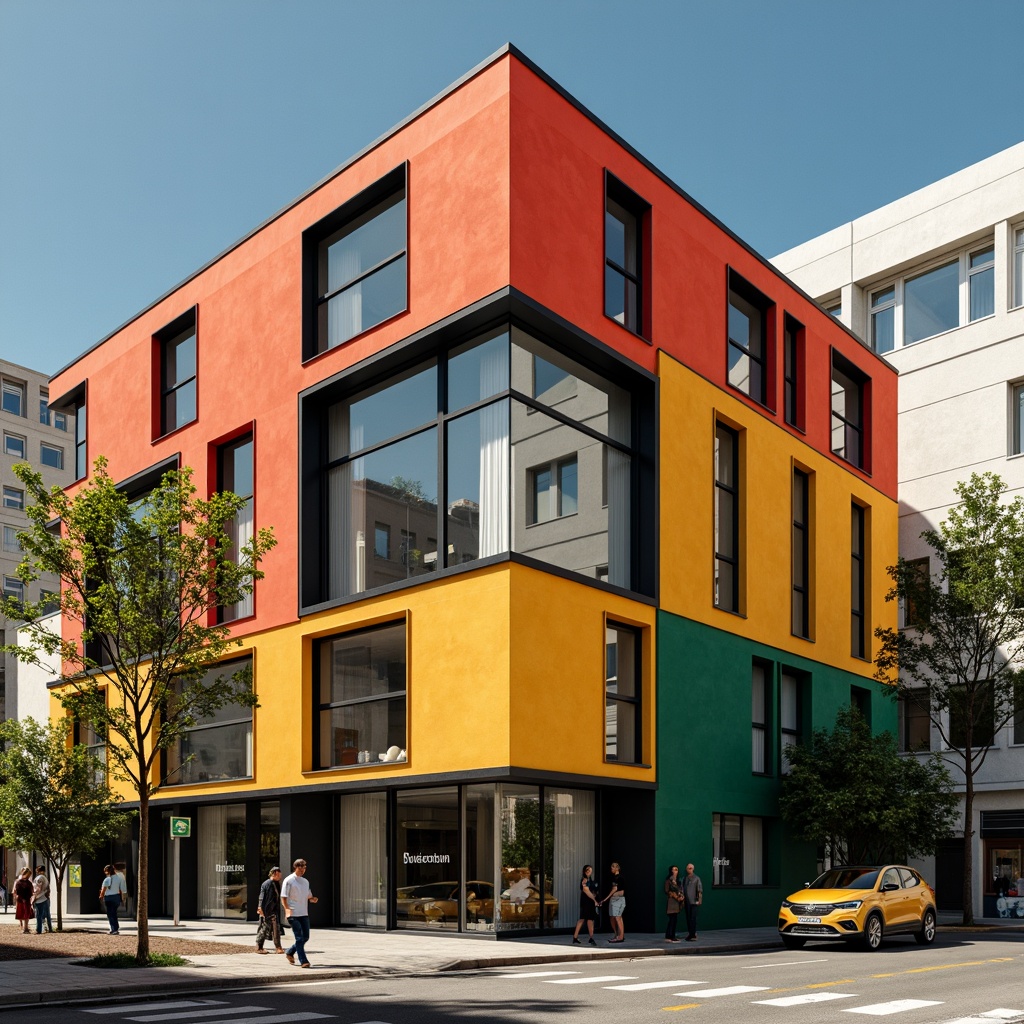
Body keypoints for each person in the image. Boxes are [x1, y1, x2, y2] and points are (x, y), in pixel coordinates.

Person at [281, 858, 318, 968]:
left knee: (305, 937)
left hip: (304, 913)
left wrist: (312, 899)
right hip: (293, 913)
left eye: (304, 868)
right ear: (295, 867)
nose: (303, 870)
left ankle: (290, 952)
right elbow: (283, 897)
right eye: (300, 867)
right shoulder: (289, 880)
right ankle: (303, 961)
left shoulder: (305, 882)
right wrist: (287, 909)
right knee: (299, 937)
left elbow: (308, 896)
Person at [256, 866, 285, 954]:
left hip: (273, 910)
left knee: (276, 928)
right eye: (279, 874)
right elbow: (261, 896)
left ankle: (278, 947)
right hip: (266, 910)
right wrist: (260, 907)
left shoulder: (276, 883)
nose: (280, 876)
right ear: (275, 873)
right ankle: (259, 947)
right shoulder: (267, 883)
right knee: (264, 928)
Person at [571, 864, 599, 945]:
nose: (589, 872)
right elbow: (586, 891)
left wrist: (595, 896)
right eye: (587, 871)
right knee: (583, 918)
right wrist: (594, 900)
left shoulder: (590, 880)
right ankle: (577, 937)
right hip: (586, 901)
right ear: (584, 871)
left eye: (590, 871)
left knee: (589, 919)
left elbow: (592, 891)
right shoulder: (585, 880)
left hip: (589, 901)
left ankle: (589, 937)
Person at [99, 863, 127, 935]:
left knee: (110, 914)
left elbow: (104, 889)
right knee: (114, 913)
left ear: (107, 871)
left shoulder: (107, 879)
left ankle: (113, 929)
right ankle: (116, 928)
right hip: (116, 897)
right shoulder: (119, 878)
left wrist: (101, 896)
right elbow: (121, 889)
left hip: (109, 898)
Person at [603, 861, 625, 943]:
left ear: (617, 868)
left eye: (613, 867)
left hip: (618, 899)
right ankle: (617, 934)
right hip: (614, 899)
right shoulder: (614, 878)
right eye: (611, 867)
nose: (611, 868)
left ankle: (621, 936)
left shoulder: (619, 878)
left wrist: (606, 898)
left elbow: (615, 889)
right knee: (612, 917)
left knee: (618, 917)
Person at [682, 862, 703, 941]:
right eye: (688, 868)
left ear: (693, 869)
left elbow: (700, 890)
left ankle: (693, 934)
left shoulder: (696, 878)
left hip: (694, 901)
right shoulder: (685, 878)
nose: (689, 870)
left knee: (693, 918)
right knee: (688, 917)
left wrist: (699, 899)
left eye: (690, 868)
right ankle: (690, 932)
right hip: (686, 901)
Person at [664, 865, 683, 942]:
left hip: (677, 902)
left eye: (676, 870)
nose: (675, 871)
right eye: (673, 869)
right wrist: (674, 895)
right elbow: (666, 890)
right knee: (672, 919)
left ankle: (671, 935)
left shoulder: (678, 881)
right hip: (671, 902)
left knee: (674, 919)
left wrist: (681, 896)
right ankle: (670, 936)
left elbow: (680, 890)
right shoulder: (668, 880)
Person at [32, 865, 52, 934]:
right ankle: (50, 928)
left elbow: (38, 889)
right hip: (45, 898)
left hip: (40, 898)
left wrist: (34, 897)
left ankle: (39, 929)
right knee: (47, 915)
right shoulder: (45, 878)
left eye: (37, 870)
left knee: (39, 915)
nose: (36, 871)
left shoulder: (39, 878)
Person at [14, 867, 33, 934]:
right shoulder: (28, 883)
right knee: (26, 914)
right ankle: (26, 928)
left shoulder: (19, 882)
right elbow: (31, 892)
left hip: (21, 899)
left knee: (23, 913)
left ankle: (25, 928)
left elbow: (17, 891)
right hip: (25, 899)